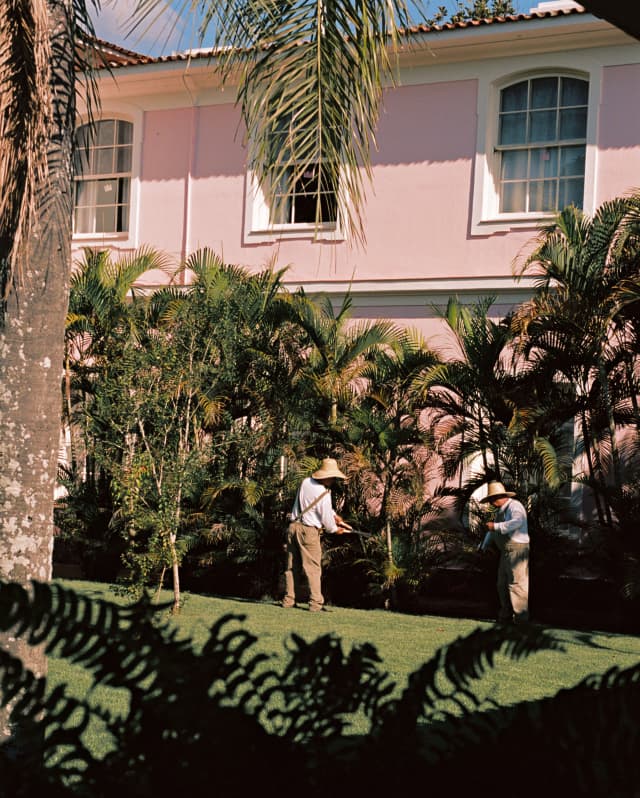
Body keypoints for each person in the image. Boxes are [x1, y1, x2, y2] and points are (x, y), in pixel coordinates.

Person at [281, 458, 349, 612]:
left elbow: (313, 506)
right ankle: (315, 603)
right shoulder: (324, 493)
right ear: (326, 476)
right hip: (309, 532)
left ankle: (288, 600)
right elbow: (326, 520)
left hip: (293, 527)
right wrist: (335, 529)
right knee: (313, 568)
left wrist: (335, 516)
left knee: (292, 567)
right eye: (333, 477)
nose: (333, 480)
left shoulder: (305, 482)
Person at [479, 480, 530, 624]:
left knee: (517, 584)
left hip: (517, 549)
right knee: (502, 584)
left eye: (491, 499)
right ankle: (505, 617)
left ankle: (521, 619)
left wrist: (495, 526)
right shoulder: (500, 511)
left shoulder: (515, 506)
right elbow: (492, 531)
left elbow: (517, 522)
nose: (491, 502)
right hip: (506, 551)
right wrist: (483, 546)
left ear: (499, 497)